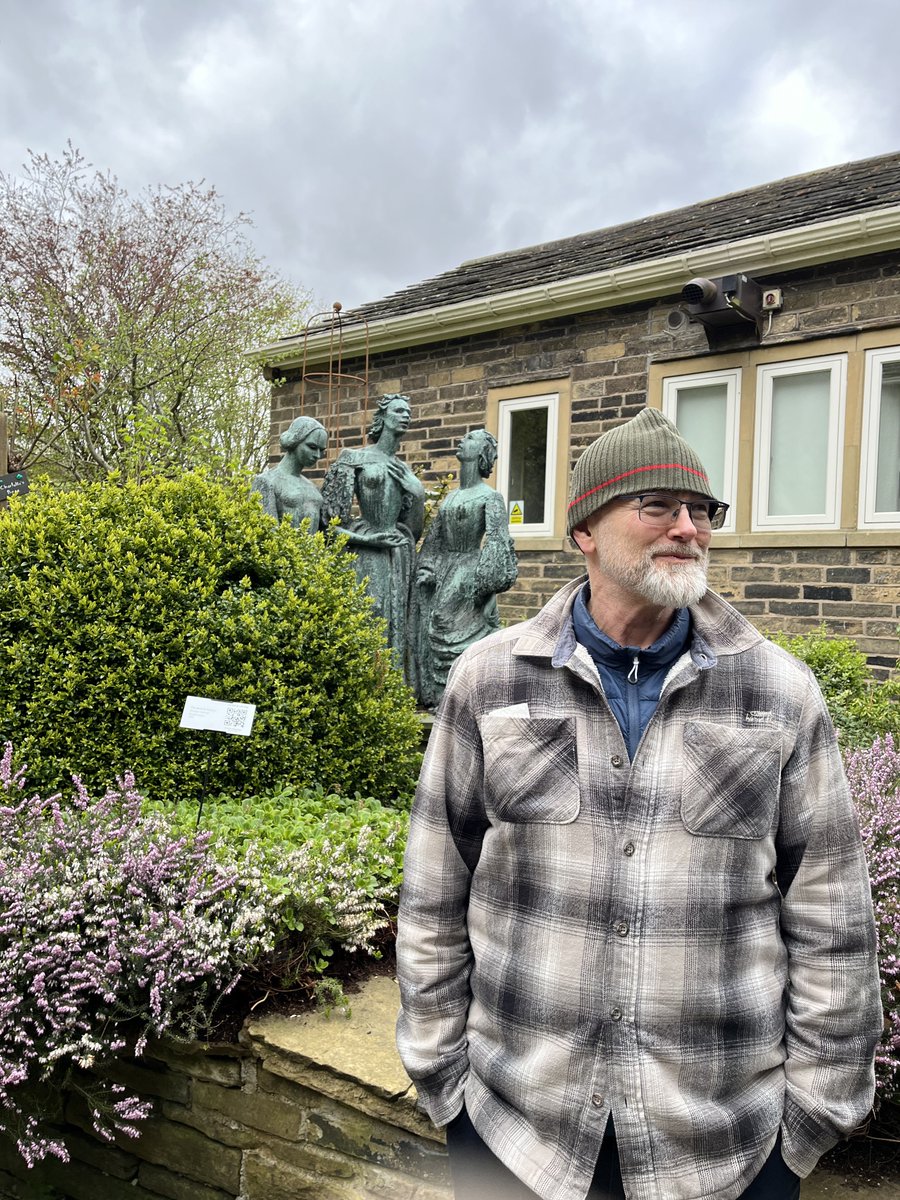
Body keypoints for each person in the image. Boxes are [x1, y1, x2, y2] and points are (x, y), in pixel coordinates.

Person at [396, 406, 882, 1200]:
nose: (687, 528)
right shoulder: (489, 681)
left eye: (702, 511)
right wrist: (444, 1083)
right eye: (656, 505)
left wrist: (808, 1126)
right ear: (584, 529)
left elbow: (833, 922)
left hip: (726, 1148)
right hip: (514, 1138)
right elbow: (432, 894)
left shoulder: (779, 694)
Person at [412, 428, 517, 710]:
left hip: (469, 572)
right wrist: (427, 567)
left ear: (481, 453)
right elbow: (434, 539)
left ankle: (463, 697)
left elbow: (497, 540)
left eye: (470, 439)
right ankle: (442, 697)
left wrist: (485, 583)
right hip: (445, 569)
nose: (462, 440)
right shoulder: (452, 497)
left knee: (453, 630)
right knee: (436, 629)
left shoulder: (490, 497)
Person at [321, 394, 425, 665]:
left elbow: (414, 531)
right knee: (371, 612)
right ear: (383, 418)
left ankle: (389, 684)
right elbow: (329, 524)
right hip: (366, 548)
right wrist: (368, 540)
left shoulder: (403, 470)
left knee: (396, 618)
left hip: (397, 552)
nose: (406, 415)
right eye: (399, 410)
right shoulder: (354, 458)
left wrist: (418, 493)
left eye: (408, 412)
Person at [251, 415, 328, 531]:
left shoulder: (314, 489)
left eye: (321, 450)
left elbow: (328, 531)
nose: (317, 455)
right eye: (312, 447)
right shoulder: (266, 482)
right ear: (295, 441)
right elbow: (266, 532)